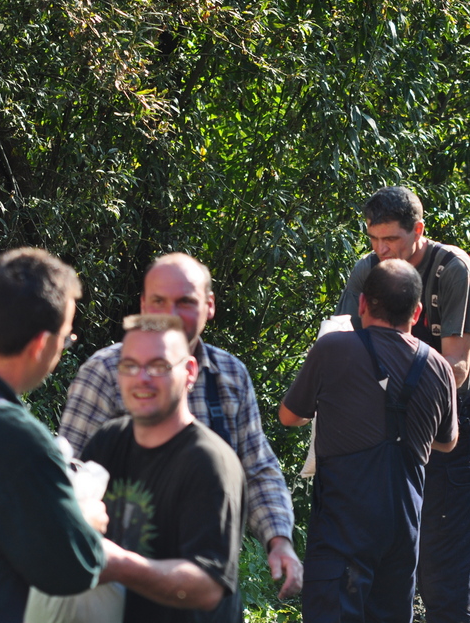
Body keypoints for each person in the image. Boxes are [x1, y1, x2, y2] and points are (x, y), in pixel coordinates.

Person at [59, 253, 301, 598]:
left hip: (207, 588)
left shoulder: (230, 376)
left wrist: (280, 541)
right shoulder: (104, 373)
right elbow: (68, 479)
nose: (170, 315)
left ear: (209, 306)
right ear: (143, 305)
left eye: (185, 302)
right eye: (159, 301)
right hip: (117, 593)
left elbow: (258, 468)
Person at [335, 186, 470, 623]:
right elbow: (342, 346)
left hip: (453, 420)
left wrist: (398, 395)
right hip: (384, 429)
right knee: (391, 563)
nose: (382, 251)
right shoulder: (367, 271)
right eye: (374, 239)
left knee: (447, 572)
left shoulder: (454, 269)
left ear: (418, 231)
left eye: (392, 240)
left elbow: (457, 366)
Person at [280, 259, 458, 622]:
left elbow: (288, 416)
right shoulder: (438, 365)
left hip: (344, 522)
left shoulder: (333, 350)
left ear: (362, 304)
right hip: (402, 522)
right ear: (418, 312)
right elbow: (448, 441)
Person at [82, 314, 247, 622]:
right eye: (130, 365)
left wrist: (119, 564)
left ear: (189, 372)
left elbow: (208, 586)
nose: (141, 378)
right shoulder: (108, 440)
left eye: (158, 366)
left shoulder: (210, 462)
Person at [0, 248, 108, 622]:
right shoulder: (14, 437)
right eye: (65, 341)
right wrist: (83, 517)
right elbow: (73, 568)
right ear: (39, 345)